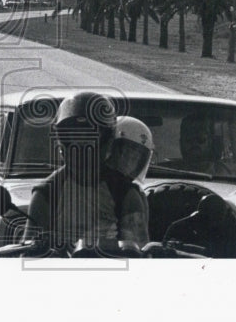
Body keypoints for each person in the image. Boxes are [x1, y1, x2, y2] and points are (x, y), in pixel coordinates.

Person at [21, 92, 151, 256]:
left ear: (107, 141)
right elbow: (28, 253)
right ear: (61, 141)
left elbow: (139, 254)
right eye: (73, 136)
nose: (80, 146)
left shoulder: (124, 192)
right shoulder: (47, 192)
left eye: (89, 137)